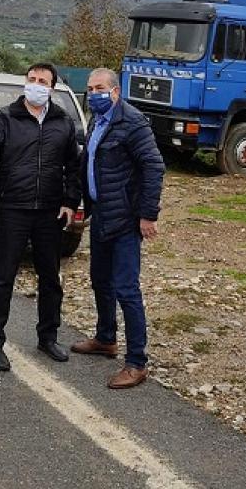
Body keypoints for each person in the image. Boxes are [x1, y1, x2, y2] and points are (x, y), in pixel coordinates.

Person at [0, 62, 81, 372]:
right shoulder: (6, 117)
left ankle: (48, 336)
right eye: (31, 79)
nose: (36, 84)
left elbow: (73, 166)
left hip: (50, 212)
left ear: (52, 87)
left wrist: (70, 201)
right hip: (13, 208)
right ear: (24, 83)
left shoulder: (63, 122)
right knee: (2, 278)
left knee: (50, 279)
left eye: (43, 80)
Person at [70, 68, 164, 389]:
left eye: (99, 88)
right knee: (100, 281)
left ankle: (137, 362)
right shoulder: (98, 120)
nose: (93, 93)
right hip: (101, 216)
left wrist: (147, 215)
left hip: (125, 219)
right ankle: (106, 338)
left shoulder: (132, 122)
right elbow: (91, 165)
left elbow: (153, 166)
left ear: (115, 92)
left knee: (126, 289)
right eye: (90, 88)